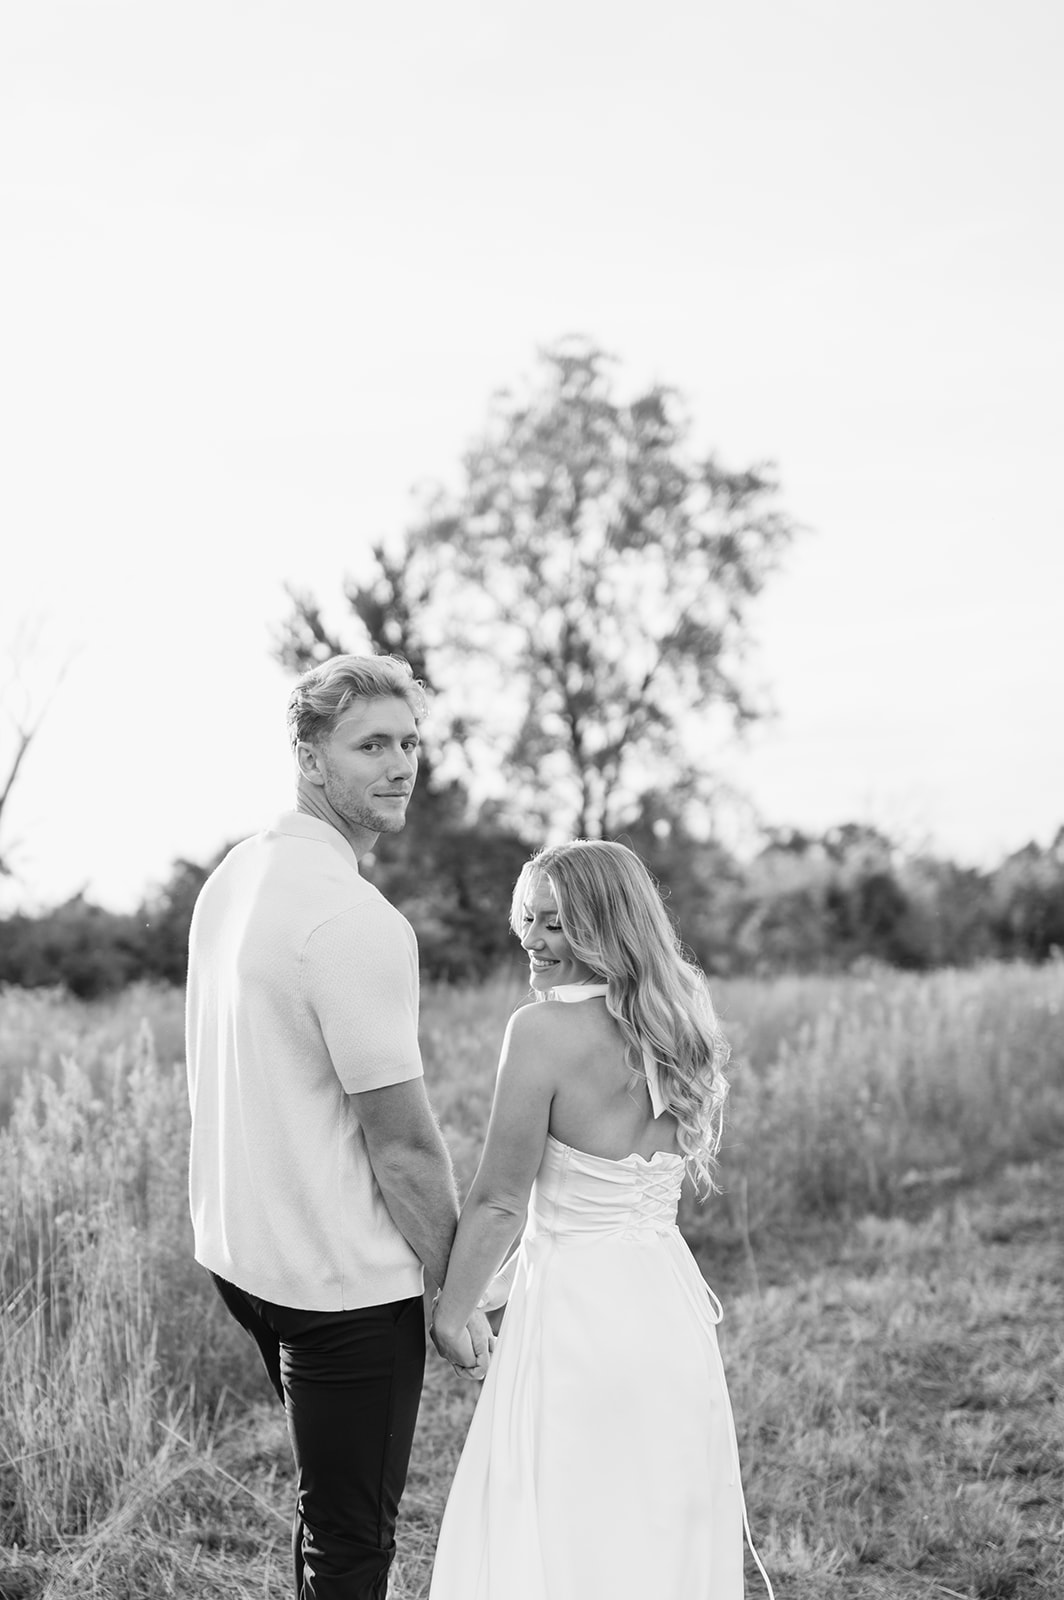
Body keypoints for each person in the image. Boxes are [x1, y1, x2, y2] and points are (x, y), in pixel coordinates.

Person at [185, 653, 491, 1600]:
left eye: (409, 742)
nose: (401, 765)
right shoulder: (353, 920)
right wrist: (457, 1295)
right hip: (338, 1292)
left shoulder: (236, 876)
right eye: (371, 745)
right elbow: (402, 1145)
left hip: (244, 1262)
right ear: (310, 757)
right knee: (353, 1547)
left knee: (330, 1514)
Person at [428, 839, 775, 1600]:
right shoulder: (676, 1018)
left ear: (600, 927)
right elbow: (603, 1210)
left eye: (552, 924)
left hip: (578, 1326)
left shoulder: (541, 1033)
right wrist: (499, 1288)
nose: (530, 939)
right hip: (667, 1313)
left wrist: (452, 1312)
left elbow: (499, 1200)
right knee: (652, 1522)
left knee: (564, 1526)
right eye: (527, 919)